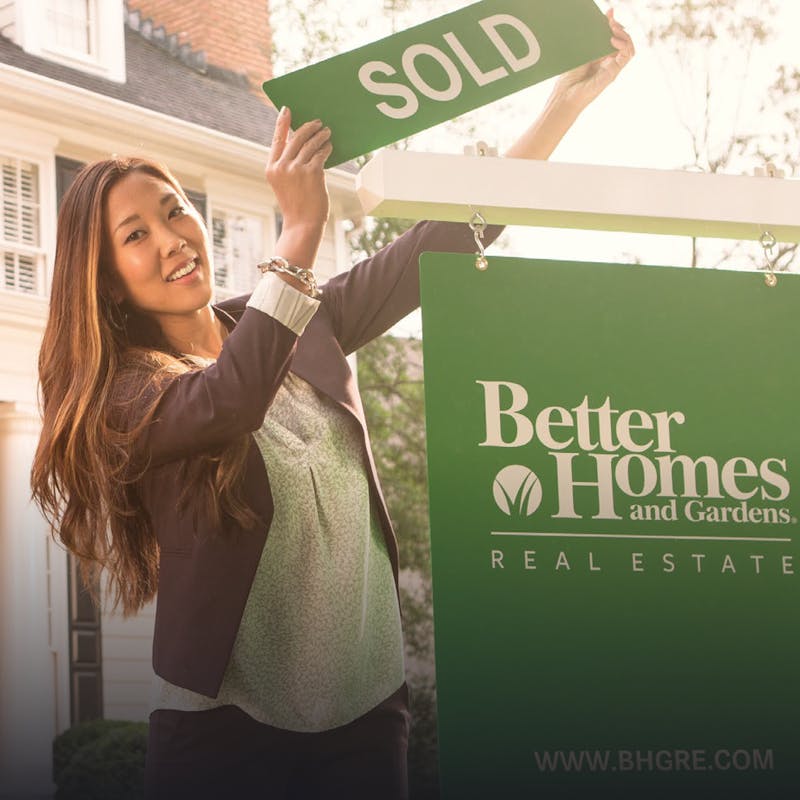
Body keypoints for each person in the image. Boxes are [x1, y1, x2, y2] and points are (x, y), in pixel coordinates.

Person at [31, 11, 633, 799]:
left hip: (364, 713)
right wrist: (301, 228)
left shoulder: (296, 320)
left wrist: (563, 104)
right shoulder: (127, 396)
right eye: (135, 235)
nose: (173, 238)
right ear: (107, 277)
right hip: (224, 731)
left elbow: (443, 242)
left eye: (175, 210)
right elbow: (228, 401)